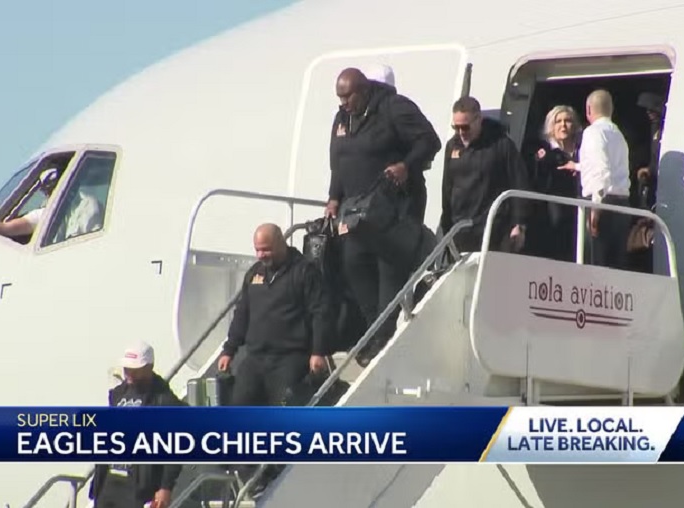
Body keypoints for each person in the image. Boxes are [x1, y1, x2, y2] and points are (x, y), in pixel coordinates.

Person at [326, 68, 441, 366]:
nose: (343, 103)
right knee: (354, 263)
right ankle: (376, 328)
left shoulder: (393, 108)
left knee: (389, 267)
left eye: (347, 96)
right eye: (339, 97)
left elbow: (430, 140)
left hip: (394, 203)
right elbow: (338, 164)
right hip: (357, 209)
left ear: (363, 90)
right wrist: (333, 198)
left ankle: (383, 336)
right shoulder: (342, 119)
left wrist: (407, 165)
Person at [217, 223, 330, 497]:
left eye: (266, 249)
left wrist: (318, 350)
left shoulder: (304, 271)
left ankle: (277, 472)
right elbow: (242, 313)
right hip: (256, 357)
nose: (261, 255)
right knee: (239, 410)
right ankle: (249, 473)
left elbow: (320, 312)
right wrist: (230, 349)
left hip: (289, 357)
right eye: (257, 250)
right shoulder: (255, 275)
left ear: (280, 244)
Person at [89, 341, 185, 508]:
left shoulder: (164, 400)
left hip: (139, 487)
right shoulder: (118, 395)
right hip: (109, 482)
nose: (129, 372)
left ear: (149, 367)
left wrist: (165, 487)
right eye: (127, 368)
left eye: (135, 368)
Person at [440, 96, 529, 253]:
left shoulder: (502, 144)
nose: (461, 133)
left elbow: (519, 182)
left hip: (493, 227)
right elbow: (447, 186)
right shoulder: (452, 145)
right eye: (456, 127)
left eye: (465, 127)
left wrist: (519, 223)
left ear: (479, 119)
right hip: (460, 228)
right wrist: (445, 224)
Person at [561, 90, 631, 270]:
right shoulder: (618, 134)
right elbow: (609, 166)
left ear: (588, 109)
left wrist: (596, 209)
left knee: (595, 267)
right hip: (622, 204)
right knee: (616, 267)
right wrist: (576, 166)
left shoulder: (593, 132)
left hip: (601, 204)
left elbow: (601, 171)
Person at [524, 105, 582, 261]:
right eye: (558, 121)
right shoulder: (544, 152)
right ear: (551, 126)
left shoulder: (583, 150)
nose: (563, 125)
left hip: (581, 211)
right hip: (554, 214)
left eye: (567, 121)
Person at [635, 92, 666, 209]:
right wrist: (649, 169)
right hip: (654, 183)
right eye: (647, 110)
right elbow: (654, 156)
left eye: (652, 109)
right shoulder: (654, 127)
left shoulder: (667, 126)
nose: (648, 112)